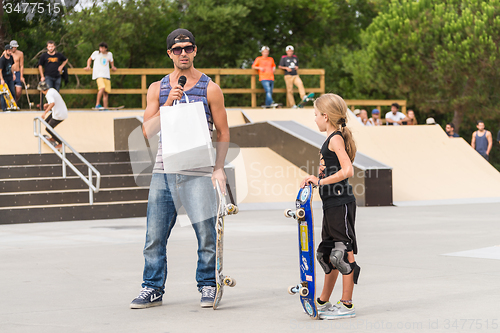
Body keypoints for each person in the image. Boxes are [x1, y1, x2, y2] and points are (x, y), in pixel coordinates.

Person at [130, 28, 230, 310]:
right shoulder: (157, 89)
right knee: (154, 236)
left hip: (198, 172)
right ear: (169, 54)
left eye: (188, 48)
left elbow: (223, 132)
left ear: (195, 51)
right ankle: (152, 288)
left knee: (206, 234)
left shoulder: (210, 88)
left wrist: (218, 168)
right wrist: (168, 103)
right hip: (164, 172)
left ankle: (208, 284)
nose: (183, 53)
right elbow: (146, 132)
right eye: (177, 49)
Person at [300, 93, 360, 320]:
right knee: (328, 254)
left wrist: (321, 181)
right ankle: (323, 301)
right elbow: (329, 169)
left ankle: (347, 304)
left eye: (316, 115)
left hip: (341, 202)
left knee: (343, 253)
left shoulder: (335, 138)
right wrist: (313, 180)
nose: (314, 119)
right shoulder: (331, 138)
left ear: (325, 116)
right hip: (331, 204)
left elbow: (347, 170)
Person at [84, 42, 117, 109]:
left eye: (102, 47)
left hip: (106, 75)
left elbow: (111, 61)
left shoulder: (109, 54)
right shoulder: (96, 53)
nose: (101, 49)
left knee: (106, 92)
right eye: (100, 47)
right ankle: (97, 104)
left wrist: (113, 66)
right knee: (102, 88)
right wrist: (88, 66)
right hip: (98, 74)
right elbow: (90, 59)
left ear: (106, 48)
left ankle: (105, 107)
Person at [37, 81, 68, 149]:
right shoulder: (52, 90)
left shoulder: (48, 94)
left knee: (48, 129)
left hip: (59, 114)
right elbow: (53, 101)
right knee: (46, 122)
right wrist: (47, 104)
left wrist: (45, 112)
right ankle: (54, 137)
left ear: (42, 90)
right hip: (59, 111)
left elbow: (53, 103)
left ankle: (60, 143)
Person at [0, 44, 15, 111]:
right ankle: (4, 108)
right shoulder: (2, 59)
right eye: (9, 51)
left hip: (10, 77)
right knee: (4, 93)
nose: (10, 52)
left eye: (11, 51)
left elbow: (11, 66)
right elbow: (0, 71)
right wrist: (2, 79)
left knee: (12, 91)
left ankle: (13, 106)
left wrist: (13, 74)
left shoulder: (11, 57)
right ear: (5, 51)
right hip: (4, 77)